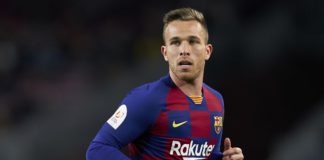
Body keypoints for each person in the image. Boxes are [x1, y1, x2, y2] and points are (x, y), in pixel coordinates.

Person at [86, 7, 244, 160]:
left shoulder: (216, 101)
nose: (184, 50)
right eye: (175, 42)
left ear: (207, 51)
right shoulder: (145, 99)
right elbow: (98, 149)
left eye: (193, 41)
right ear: (165, 52)